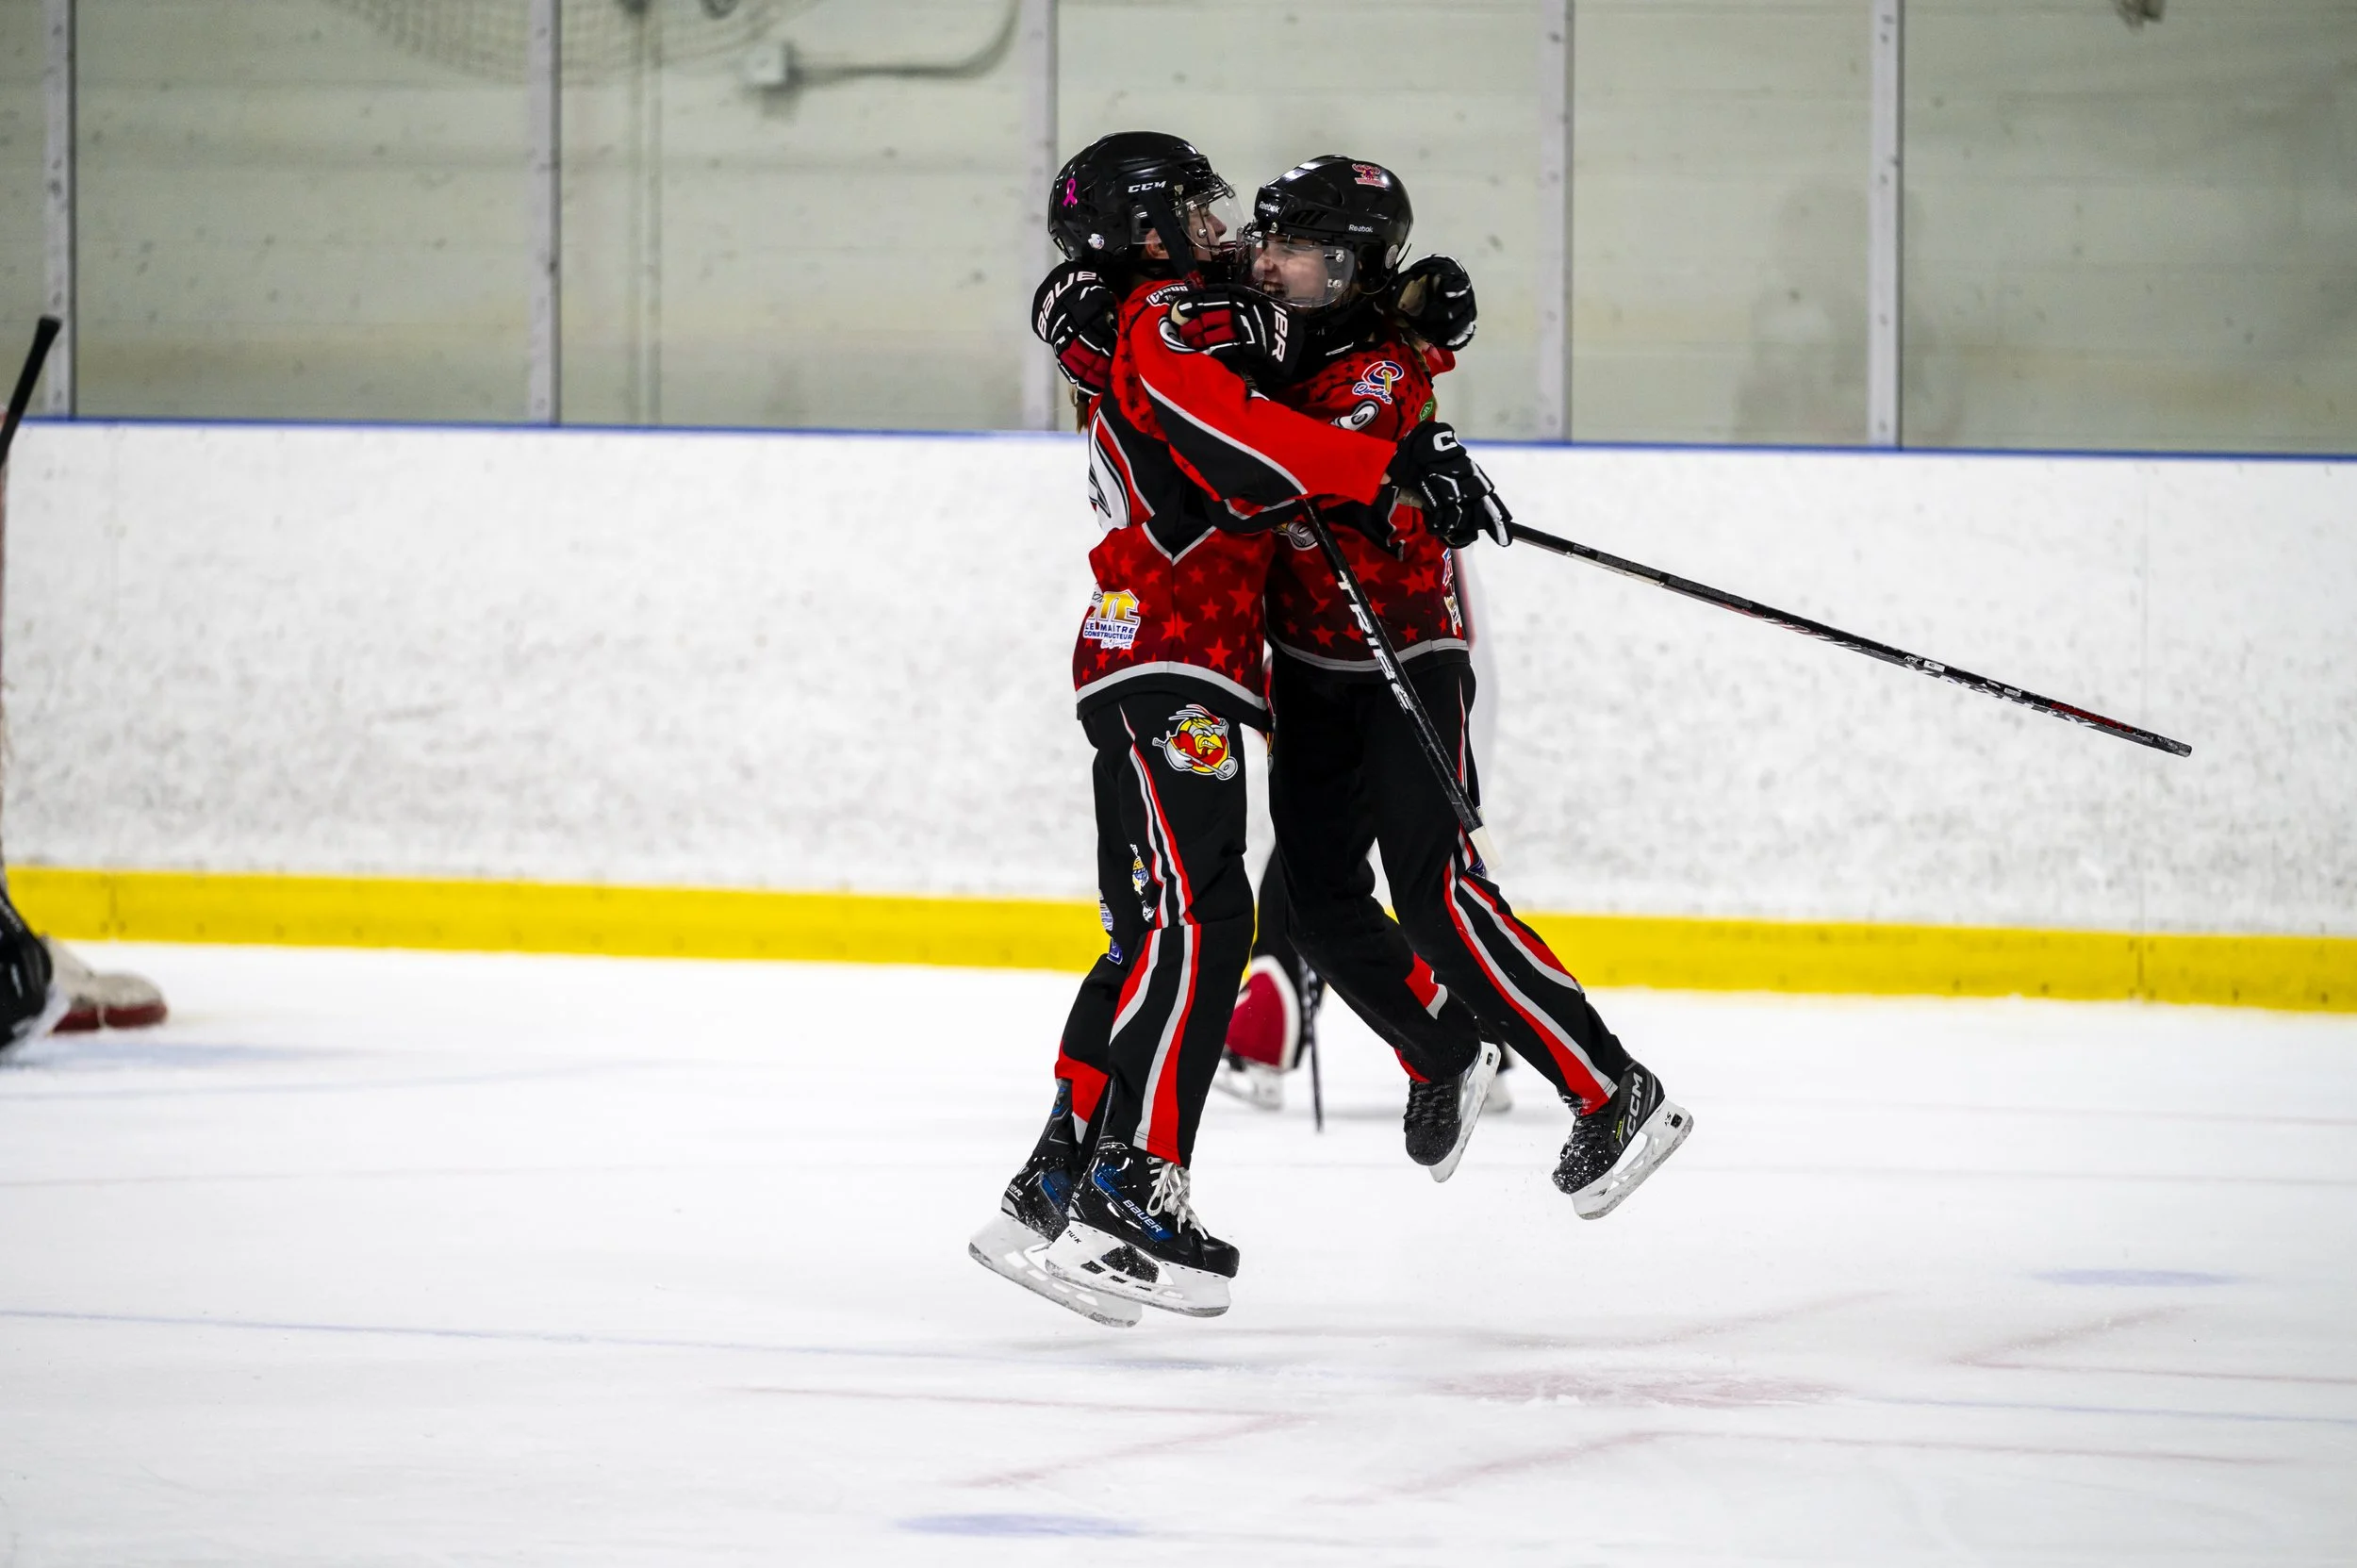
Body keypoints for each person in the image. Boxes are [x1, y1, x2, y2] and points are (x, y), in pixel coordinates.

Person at [969, 133, 1505, 1326]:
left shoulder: (1139, 305)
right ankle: (1136, 1185)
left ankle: (1054, 1178)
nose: (1226, 232)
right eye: (1196, 209)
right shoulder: (1173, 315)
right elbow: (1261, 401)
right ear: (1144, 227)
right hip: (1173, 646)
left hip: (1158, 651)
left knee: (1153, 933)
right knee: (1206, 919)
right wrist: (1397, 443)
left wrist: (1415, 331)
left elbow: (1287, 343)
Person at [1190, 156, 1693, 1222]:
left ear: (1353, 267)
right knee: (1321, 909)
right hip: (1311, 676)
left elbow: (1316, 450)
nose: (1265, 261)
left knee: (1438, 891)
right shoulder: (1283, 312)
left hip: (1404, 663)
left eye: (1294, 249)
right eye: (1266, 239)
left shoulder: (1379, 368)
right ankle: (1440, 1048)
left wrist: (1424, 437)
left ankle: (1610, 1086)